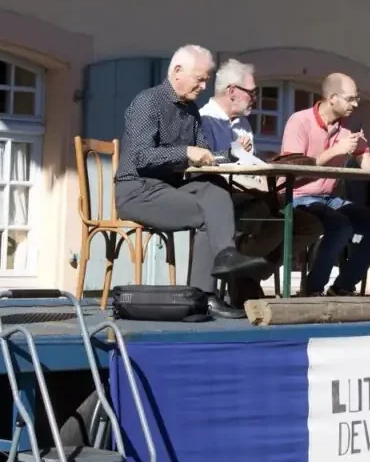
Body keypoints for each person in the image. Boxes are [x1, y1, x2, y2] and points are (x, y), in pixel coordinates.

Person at [114, 44, 268, 319]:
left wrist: (230, 154)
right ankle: (204, 296)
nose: (205, 85)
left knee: (216, 191)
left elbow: (203, 155)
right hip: (137, 191)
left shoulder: (192, 111)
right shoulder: (148, 101)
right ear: (177, 72)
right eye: (200, 78)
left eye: (207, 79)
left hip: (170, 187)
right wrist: (184, 152)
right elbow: (139, 156)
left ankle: (223, 261)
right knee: (210, 212)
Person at [279, 73, 370, 296]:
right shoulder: (299, 121)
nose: (356, 104)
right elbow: (293, 169)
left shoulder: (352, 124)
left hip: (329, 199)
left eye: (357, 98)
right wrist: (335, 150)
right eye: (351, 99)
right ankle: (312, 289)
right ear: (332, 98)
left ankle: (342, 286)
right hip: (297, 197)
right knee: (341, 225)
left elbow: (368, 165)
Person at [198, 59, 323, 305]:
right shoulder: (204, 120)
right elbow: (205, 166)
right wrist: (232, 154)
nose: (255, 98)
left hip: (252, 196)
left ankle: (249, 275)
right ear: (232, 91)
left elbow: (248, 164)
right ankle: (243, 280)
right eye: (252, 92)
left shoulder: (243, 124)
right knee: (272, 221)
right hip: (222, 199)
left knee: (310, 225)